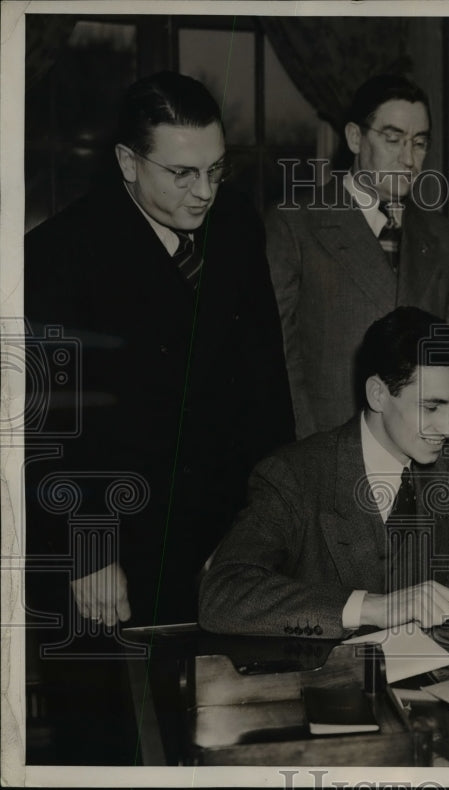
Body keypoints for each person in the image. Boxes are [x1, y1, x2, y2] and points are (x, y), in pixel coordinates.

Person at [23, 71, 293, 763]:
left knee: (226, 735)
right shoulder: (58, 253)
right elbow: (50, 422)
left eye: (215, 169)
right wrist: (88, 549)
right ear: (125, 163)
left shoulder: (235, 225)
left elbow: (265, 390)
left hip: (220, 538)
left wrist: (269, 523)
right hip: (109, 545)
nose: (203, 191)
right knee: (114, 741)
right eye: (180, 173)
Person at [200, 307, 449, 638]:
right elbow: (221, 596)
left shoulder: (448, 472)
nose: (448, 427)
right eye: (431, 407)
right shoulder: (294, 475)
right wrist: (370, 607)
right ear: (378, 394)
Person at [267, 74, 449, 440]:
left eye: (420, 143)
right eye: (392, 139)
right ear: (353, 138)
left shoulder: (444, 239)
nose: (409, 159)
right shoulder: (294, 225)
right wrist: (307, 462)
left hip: (423, 462)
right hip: (325, 455)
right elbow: (278, 360)